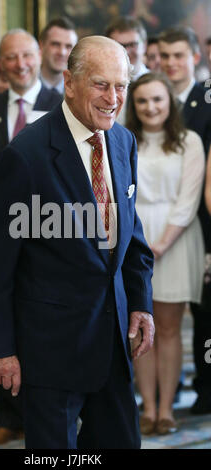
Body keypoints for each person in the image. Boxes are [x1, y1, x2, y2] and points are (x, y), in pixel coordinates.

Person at [0, 35, 155, 449]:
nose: (114, 98)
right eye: (101, 84)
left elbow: (131, 233)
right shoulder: (25, 155)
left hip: (112, 342)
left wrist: (140, 301)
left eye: (121, 86)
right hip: (50, 348)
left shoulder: (123, 141)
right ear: (70, 83)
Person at [0, 29, 62, 447]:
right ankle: (7, 419)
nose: (19, 64)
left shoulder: (63, 104)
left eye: (25, 55)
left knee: (43, 331)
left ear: (39, 56)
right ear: (0, 63)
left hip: (50, 240)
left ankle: (51, 416)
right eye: (10, 57)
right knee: (0, 326)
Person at [126, 72, 205, 434]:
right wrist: (139, 245)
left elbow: (189, 201)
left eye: (157, 99)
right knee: (139, 330)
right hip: (132, 241)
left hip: (176, 240)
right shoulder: (123, 139)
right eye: (142, 100)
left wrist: (161, 244)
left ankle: (167, 410)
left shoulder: (189, 141)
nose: (150, 107)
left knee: (169, 329)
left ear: (170, 102)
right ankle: (148, 407)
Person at [159, 25, 211, 415]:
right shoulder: (151, 97)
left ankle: (206, 387)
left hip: (203, 220)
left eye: (179, 55)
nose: (172, 62)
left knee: (206, 312)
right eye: (165, 56)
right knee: (163, 312)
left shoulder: (207, 101)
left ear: (195, 57)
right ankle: (167, 387)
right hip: (160, 215)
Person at [105, 16, 149, 125]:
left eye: (132, 45)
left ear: (144, 46)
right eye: (119, 46)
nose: (126, 52)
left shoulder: (159, 85)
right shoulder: (100, 86)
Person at [39, 17, 78, 95]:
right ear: (41, 46)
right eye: (56, 44)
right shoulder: (25, 85)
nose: (62, 52)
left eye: (68, 46)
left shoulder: (79, 91)